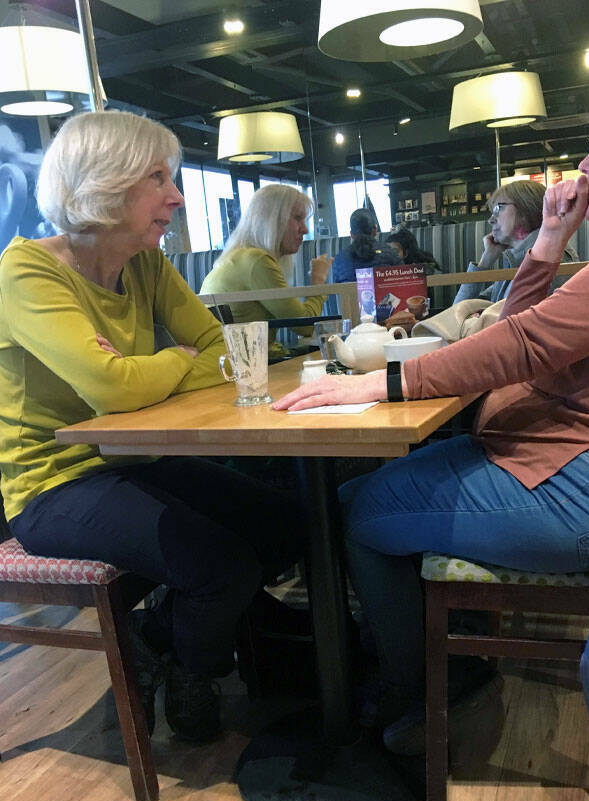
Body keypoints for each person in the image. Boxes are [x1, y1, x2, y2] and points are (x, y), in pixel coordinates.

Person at [274, 73, 589, 756]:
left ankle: (414, 691)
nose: (584, 166)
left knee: (360, 515)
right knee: (352, 495)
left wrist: (384, 382)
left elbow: (523, 345)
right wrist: (550, 236)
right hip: (571, 464)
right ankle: (429, 658)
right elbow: (518, 328)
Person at [0, 110, 304, 743]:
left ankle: (154, 638)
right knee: (220, 565)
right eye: (157, 178)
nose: (177, 196)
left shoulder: (146, 263)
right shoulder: (25, 272)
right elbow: (114, 387)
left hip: (132, 459)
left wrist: (153, 370)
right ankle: (195, 674)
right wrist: (175, 361)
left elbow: (226, 355)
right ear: (104, 183)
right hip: (53, 486)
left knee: (286, 525)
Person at [200, 184, 333, 359]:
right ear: (272, 220)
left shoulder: (239, 257)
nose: (305, 229)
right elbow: (305, 326)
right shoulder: (256, 261)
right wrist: (318, 282)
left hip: (244, 361)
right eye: (297, 218)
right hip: (254, 365)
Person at [453, 179, 578, 304]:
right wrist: (485, 261)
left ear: (525, 208)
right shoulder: (519, 257)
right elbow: (460, 308)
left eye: (498, 208)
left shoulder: (549, 258)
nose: (491, 220)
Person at [331, 207, 399, 283]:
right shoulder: (391, 254)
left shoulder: (339, 259)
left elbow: (336, 288)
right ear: (375, 231)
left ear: (351, 234)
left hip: (351, 291)